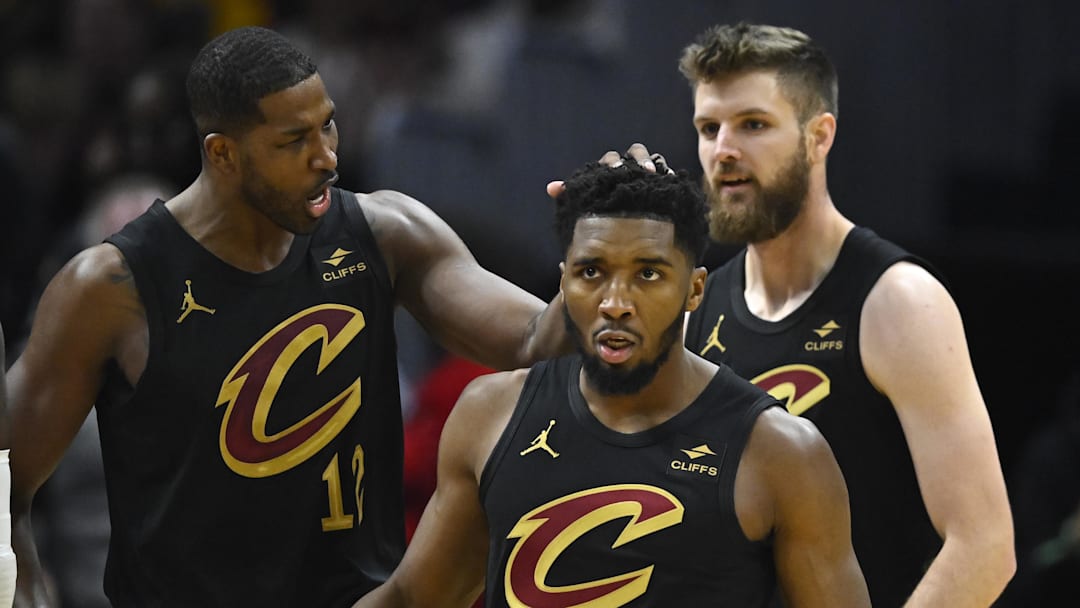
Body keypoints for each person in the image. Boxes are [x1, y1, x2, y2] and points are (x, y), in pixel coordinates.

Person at [7, 26, 568, 608]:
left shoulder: (384, 233)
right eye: (293, 140)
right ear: (222, 153)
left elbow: (535, 341)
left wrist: (621, 240)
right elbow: (3, 480)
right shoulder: (111, 287)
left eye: (327, 124)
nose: (325, 156)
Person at [564, 23, 1015, 607]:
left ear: (818, 136)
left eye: (752, 124)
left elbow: (983, 545)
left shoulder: (899, 302)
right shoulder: (693, 309)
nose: (723, 149)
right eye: (709, 128)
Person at [354, 161, 870, 607]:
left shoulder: (781, 452)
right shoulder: (490, 412)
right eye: (592, 272)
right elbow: (413, 599)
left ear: (694, 290)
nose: (615, 302)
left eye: (648, 274)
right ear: (564, 281)